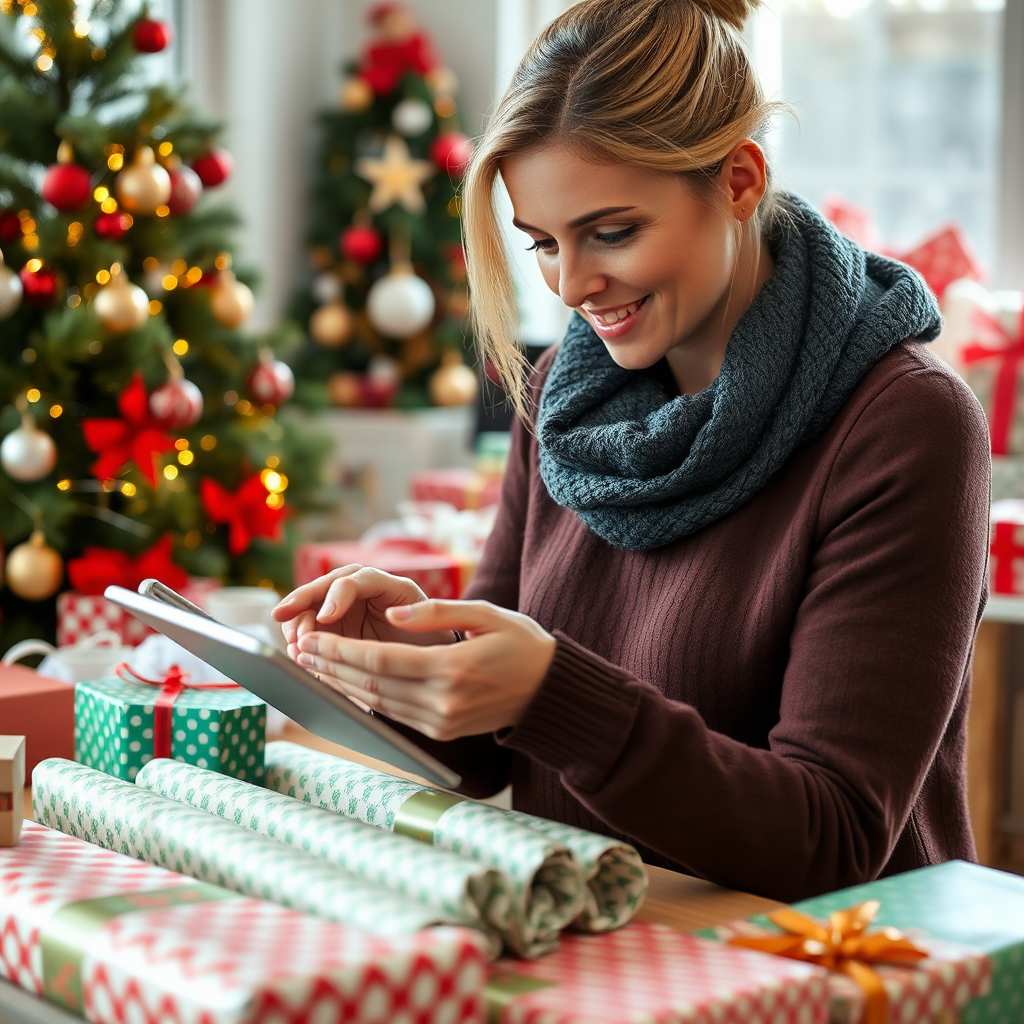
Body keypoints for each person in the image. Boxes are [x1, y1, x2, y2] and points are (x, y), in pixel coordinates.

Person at [273, 0, 990, 902]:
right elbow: (493, 756)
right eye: (542, 243)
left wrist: (551, 695)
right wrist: (402, 660)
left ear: (738, 180)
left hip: (824, 968)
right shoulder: (561, 404)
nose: (573, 287)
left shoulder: (903, 424)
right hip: (596, 944)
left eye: (612, 233)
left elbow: (834, 836)